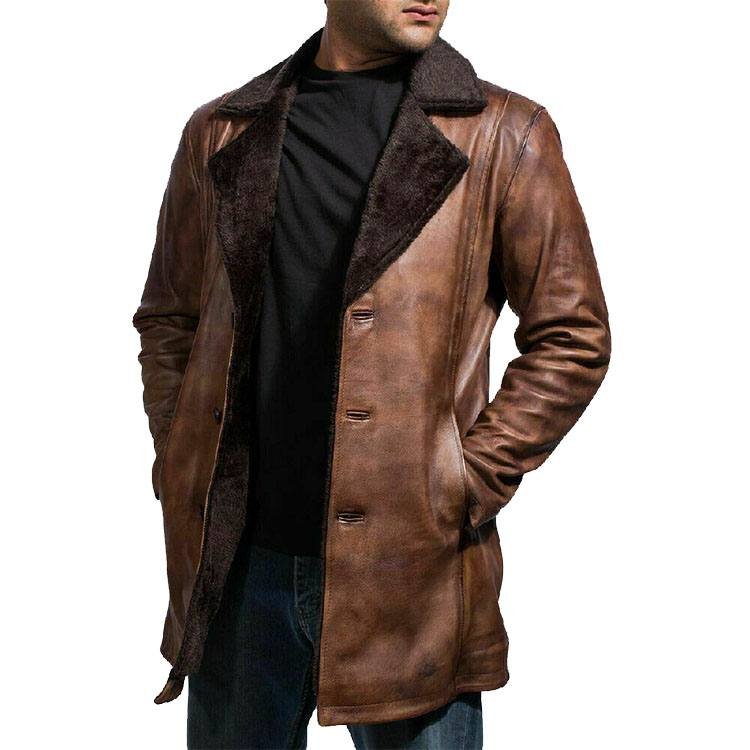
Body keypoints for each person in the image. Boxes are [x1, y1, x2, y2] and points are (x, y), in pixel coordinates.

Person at [132, 1, 611, 747]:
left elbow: (572, 334)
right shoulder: (222, 130)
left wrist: (463, 481)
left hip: (410, 576)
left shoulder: (503, 133)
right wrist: (181, 450)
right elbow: (171, 318)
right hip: (237, 571)